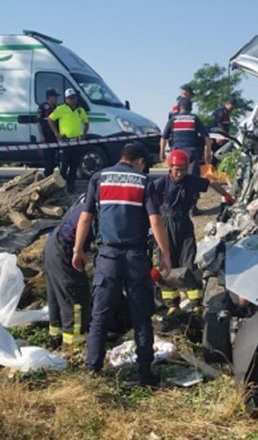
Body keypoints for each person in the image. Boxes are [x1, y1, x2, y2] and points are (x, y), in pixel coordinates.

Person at [72, 142, 172, 385]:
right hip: (136, 258)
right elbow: (156, 221)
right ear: (139, 161)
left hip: (107, 257)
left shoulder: (99, 178)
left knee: (99, 317)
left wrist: (78, 250)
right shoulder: (143, 181)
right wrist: (165, 254)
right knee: (141, 317)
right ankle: (145, 374)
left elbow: (85, 218)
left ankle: (93, 371)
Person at [153, 149, 235, 314]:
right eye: (177, 170)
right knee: (167, 266)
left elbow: (210, 182)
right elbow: (146, 200)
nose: (180, 173)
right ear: (170, 167)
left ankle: (196, 302)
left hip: (184, 224)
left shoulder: (190, 181)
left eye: (183, 170)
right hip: (165, 226)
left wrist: (227, 196)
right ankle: (172, 305)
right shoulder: (160, 184)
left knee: (188, 261)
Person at [44, 194, 93, 349]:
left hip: (54, 244)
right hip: (65, 250)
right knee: (75, 296)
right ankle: (74, 345)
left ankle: (56, 337)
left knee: (56, 295)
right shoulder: (93, 209)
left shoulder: (84, 201)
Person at [49, 88, 89, 193]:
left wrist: (84, 134)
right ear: (66, 99)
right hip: (65, 142)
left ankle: (71, 188)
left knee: (74, 166)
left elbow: (86, 122)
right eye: (70, 98)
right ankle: (60, 189)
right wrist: (56, 133)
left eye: (74, 98)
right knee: (64, 167)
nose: (72, 100)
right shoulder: (61, 109)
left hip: (76, 142)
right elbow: (50, 119)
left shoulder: (80, 110)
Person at [37, 88, 60, 176]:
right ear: (50, 97)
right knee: (48, 158)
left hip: (55, 136)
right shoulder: (42, 107)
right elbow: (39, 122)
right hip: (47, 135)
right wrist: (41, 135)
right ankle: (47, 176)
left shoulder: (57, 108)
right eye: (55, 97)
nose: (56, 99)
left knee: (55, 158)